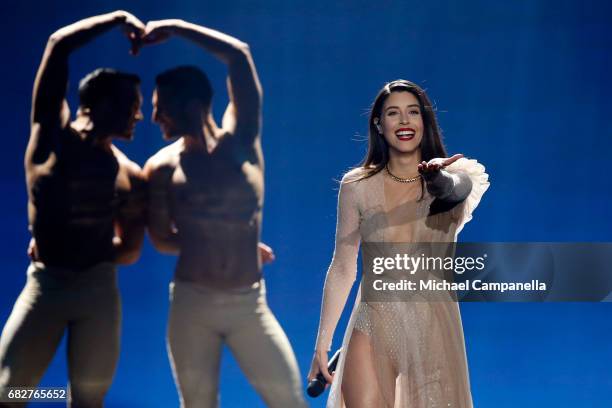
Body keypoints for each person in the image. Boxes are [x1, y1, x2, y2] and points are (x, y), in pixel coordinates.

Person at [139, 19, 306, 408]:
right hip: (192, 304)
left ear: (193, 105)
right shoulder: (161, 167)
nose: (154, 118)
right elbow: (162, 238)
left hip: (249, 304)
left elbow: (238, 55)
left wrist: (175, 27)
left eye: (162, 109)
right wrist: (220, 239)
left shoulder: (242, 140)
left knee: (289, 400)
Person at [308, 79, 490, 407]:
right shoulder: (357, 185)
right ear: (379, 124)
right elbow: (343, 266)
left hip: (432, 327)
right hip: (373, 319)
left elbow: (452, 191)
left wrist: (435, 177)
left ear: (425, 121)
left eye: (413, 112)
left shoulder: (459, 176)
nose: (404, 121)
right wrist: (322, 342)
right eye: (393, 113)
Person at [0, 11, 147, 407]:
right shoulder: (51, 138)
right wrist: (117, 18)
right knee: (10, 389)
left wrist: (85, 253)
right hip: (46, 285)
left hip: (97, 289)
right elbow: (58, 45)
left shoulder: (130, 175)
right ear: (98, 105)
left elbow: (131, 249)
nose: (139, 115)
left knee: (87, 399)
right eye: (130, 105)